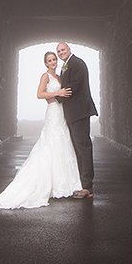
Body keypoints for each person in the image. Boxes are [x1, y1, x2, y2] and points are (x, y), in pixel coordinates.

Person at [0, 51, 82, 209]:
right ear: (45, 63)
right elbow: (39, 94)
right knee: (51, 141)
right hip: (53, 111)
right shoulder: (46, 76)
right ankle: (45, 183)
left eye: (54, 60)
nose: (52, 62)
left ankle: (63, 183)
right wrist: (58, 92)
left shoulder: (59, 76)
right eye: (49, 60)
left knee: (63, 141)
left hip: (62, 111)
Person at [56, 41, 97, 199]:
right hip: (72, 113)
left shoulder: (78, 64)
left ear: (69, 49)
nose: (61, 53)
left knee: (83, 147)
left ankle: (87, 186)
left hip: (79, 112)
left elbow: (71, 88)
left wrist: (54, 97)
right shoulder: (66, 65)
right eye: (59, 51)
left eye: (63, 49)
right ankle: (82, 183)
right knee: (78, 148)